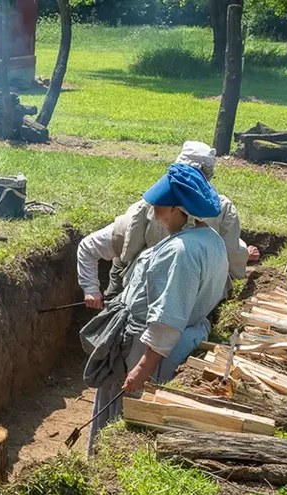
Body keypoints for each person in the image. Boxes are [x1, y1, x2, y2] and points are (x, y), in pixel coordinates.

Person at [80, 163, 229, 454]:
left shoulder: (181, 253)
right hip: (165, 340)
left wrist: (141, 369)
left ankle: (101, 462)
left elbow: (167, 321)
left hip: (146, 349)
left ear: (177, 209)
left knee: (123, 412)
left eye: (159, 203)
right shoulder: (209, 239)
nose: (152, 208)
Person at [77, 141, 260, 310]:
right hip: (140, 291)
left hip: (171, 298)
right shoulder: (141, 215)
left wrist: (242, 254)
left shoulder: (146, 211)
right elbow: (231, 254)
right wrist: (91, 289)